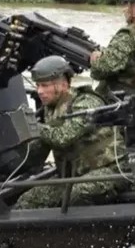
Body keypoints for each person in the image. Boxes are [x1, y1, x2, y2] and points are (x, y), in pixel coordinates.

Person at [15, 55, 127, 209]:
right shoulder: (49, 109)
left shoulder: (85, 102)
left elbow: (64, 137)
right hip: (73, 176)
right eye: (38, 85)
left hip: (110, 171)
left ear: (63, 84)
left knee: (79, 193)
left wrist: (34, 126)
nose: (39, 91)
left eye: (45, 85)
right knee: (28, 201)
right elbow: (40, 148)